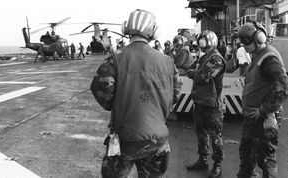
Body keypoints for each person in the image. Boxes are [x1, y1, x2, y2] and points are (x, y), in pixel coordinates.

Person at [90, 9, 181, 178]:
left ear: (127, 28)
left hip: (125, 139)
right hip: (157, 139)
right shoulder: (168, 62)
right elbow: (175, 94)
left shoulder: (115, 58)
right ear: (153, 32)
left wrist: (116, 104)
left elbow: (100, 90)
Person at [236, 22, 288, 178]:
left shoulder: (268, 59)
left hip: (263, 120)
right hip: (253, 119)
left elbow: (283, 88)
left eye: (246, 41)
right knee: (246, 156)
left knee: (266, 161)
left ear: (259, 38)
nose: (244, 46)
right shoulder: (258, 56)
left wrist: (263, 110)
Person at [185, 30, 226, 178]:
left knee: (215, 137)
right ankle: (202, 160)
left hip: (212, 106)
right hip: (200, 102)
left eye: (202, 40)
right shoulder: (204, 58)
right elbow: (191, 69)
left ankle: (217, 165)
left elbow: (204, 76)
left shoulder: (216, 59)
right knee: (201, 134)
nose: (200, 43)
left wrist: (193, 72)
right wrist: (194, 71)